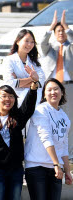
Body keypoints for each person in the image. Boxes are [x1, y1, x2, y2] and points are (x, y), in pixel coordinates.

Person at [24, 78, 71, 200]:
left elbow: (64, 146)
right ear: (44, 93)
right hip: (37, 166)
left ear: (62, 93)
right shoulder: (40, 110)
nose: (53, 92)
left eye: (56, 89)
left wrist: (67, 170)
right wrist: (56, 165)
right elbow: (46, 138)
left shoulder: (64, 117)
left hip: (55, 168)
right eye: (49, 89)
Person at [40, 10, 73, 151]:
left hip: (69, 87)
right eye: (58, 30)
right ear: (54, 33)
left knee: (69, 119)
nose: (61, 33)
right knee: (50, 118)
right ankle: (52, 149)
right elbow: (42, 42)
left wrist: (67, 26)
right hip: (52, 88)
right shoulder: (49, 48)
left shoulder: (71, 47)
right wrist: (51, 26)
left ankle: (69, 150)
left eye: (63, 31)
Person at [1, 29, 46, 106]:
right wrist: (33, 79)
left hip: (34, 100)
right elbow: (9, 83)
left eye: (32, 42)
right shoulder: (9, 60)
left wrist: (18, 81)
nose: (29, 44)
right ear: (18, 41)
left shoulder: (34, 61)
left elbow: (41, 81)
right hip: (17, 101)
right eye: (27, 41)